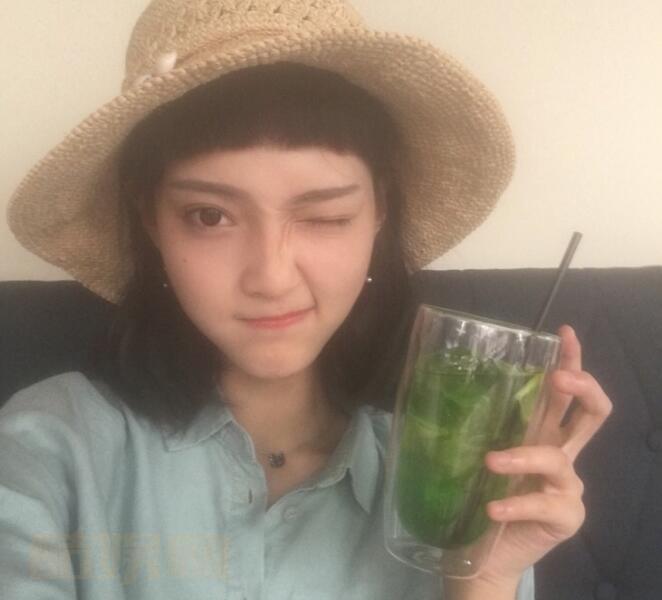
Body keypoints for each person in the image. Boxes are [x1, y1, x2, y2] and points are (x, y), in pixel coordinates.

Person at [2, 1, 613, 599]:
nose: (271, 277)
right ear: (152, 221)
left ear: (378, 215)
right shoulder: (50, 447)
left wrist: (482, 579)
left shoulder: (455, 482)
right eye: (210, 216)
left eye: (324, 216)